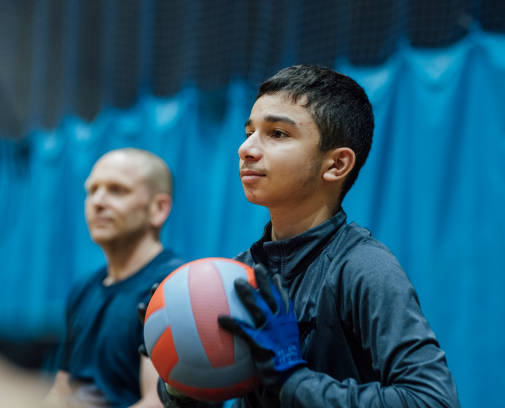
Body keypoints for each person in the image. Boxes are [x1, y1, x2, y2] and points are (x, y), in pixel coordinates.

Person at [156, 65, 460, 407]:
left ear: (336, 165)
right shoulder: (239, 273)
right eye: (249, 131)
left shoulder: (365, 267)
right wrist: (179, 382)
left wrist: (293, 379)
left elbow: (433, 400)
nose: (246, 149)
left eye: (278, 134)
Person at [46, 148, 185, 408]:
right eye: (91, 190)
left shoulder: (172, 288)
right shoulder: (84, 288)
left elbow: (158, 403)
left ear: (159, 208)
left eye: (117, 190)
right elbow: (61, 390)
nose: (97, 201)